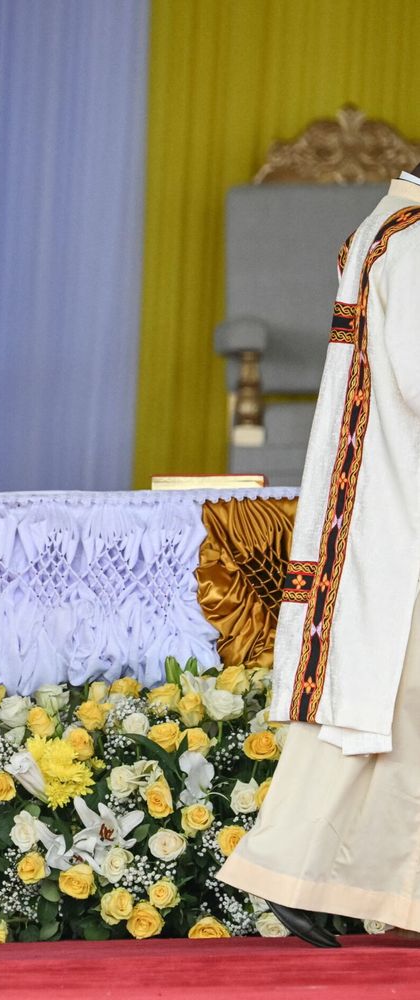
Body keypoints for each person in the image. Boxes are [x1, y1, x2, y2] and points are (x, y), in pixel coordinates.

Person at [218, 166, 420, 946]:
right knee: (376, 704)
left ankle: (324, 879)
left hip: (384, 495)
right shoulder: (408, 236)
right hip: (395, 508)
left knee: (387, 713)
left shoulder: (390, 224)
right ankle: (293, 871)